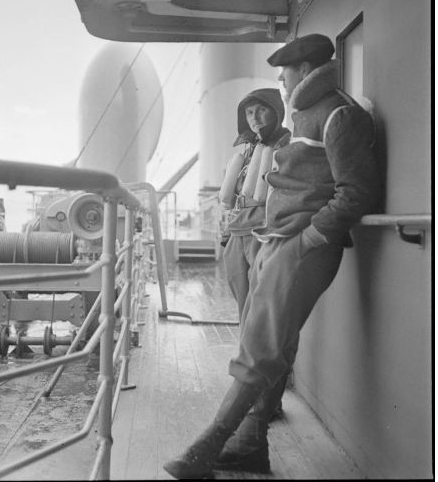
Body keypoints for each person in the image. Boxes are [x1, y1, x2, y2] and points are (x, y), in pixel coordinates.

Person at [163, 33, 381, 479]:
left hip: (301, 245)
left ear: (303, 71)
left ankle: (210, 444)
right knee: (269, 340)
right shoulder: (307, 115)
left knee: (260, 343)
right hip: (276, 238)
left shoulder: (339, 114)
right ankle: (251, 445)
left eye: (284, 73)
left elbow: (355, 191)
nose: (280, 82)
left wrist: (307, 240)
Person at [220, 88, 290, 320]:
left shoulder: (287, 146)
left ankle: (258, 354)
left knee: (262, 303)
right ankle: (246, 352)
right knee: (242, 301)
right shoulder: (248, 151)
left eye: (262, 110)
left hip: (264, 232)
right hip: (237, 232)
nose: (255, 118)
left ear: (277, 112)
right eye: (249, 112)